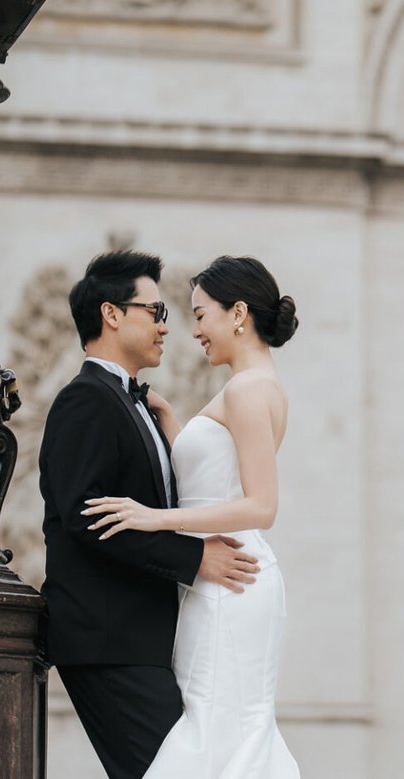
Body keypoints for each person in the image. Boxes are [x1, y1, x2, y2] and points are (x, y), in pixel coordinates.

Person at [39, 250, 261, 779]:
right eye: (157, 312)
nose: (168, 328)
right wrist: (194, 558)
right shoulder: (86, 401)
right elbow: (86, 517)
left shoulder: (130, 403)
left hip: (142, 640)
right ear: (112, 314)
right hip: (108, 642)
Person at [84, 255, 302, 778]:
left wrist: (152, 518)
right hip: (226, 579)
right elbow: (214, 482)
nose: (195, 330)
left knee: (216, 728)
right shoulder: (254, 385)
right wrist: (171, 421)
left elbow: (261, 505)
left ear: (238, 313)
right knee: (221, 728)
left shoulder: (248, 389)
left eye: (201, 314)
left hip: (232, 579)